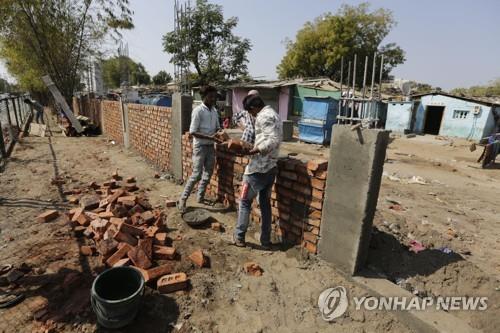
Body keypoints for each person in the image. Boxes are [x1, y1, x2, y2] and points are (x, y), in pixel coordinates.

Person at [233, 94, 282, 249]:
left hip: (258, 169)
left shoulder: (263, 117)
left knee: (245, 202)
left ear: (254, 108)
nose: (251, 115)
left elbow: (273, 140)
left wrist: (253, 151)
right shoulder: (275, 114)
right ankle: (265, 241)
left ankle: (239, 236)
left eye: (251, 112)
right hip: (271, 168)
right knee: (265, 204)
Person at [178, 86, 223, 212]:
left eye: (214, 96)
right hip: (200, 146)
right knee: (197, 174)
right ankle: (183, 200)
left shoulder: (214, 111)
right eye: (211, 96)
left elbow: (218, 127)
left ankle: (200, 197)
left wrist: (220, 133)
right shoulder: (198, 111)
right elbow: (193, 131)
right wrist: (211, 137)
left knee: (208, 173)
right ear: (204, 97)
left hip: (210, 146)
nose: (213, 98)